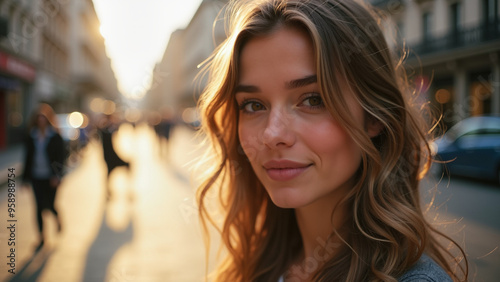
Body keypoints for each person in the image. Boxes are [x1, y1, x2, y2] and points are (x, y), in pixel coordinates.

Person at [196, 0, 468, 281]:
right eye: (253, 105)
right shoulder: (260, 262)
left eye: (313, 100)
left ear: (374, 117)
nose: (272, 134)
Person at [22, 103, 66, 251]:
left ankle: (57, 217)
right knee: (39, 207)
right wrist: (24, 179)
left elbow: (61, 158)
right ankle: (41, 238)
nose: (41, 121)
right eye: (38, 118)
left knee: (50, 205)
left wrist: (56, 176)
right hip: (36, 177)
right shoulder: (31, 136)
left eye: (44, 118)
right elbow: (27, 158)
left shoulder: (55, 136)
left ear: (48, 120)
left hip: (50, 178)